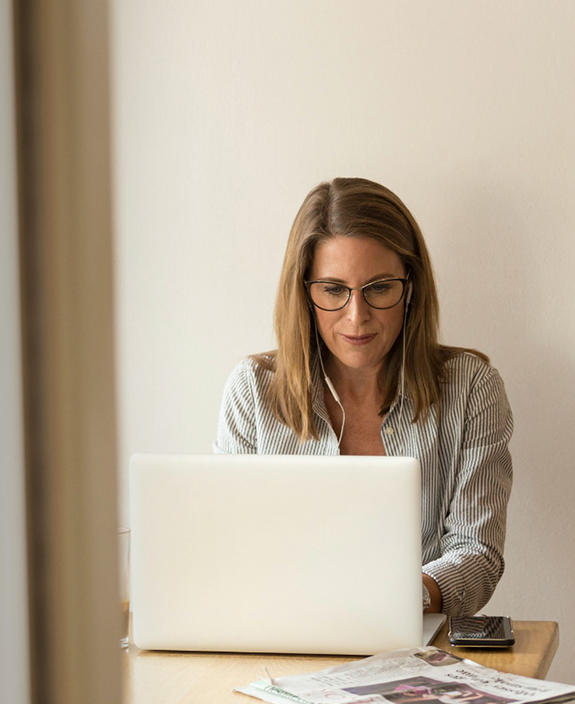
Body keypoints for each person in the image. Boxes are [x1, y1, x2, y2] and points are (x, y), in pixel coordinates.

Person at [214, 177, 513, 617]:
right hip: (279, 641)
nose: (357, 317)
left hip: (417, 649)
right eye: (334, 290)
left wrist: (395, 601)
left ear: (410, 287)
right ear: (305, 292)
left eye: (378, 288)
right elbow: (227, 549)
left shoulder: (471, 388)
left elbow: (478, 554)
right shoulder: (252, 390)